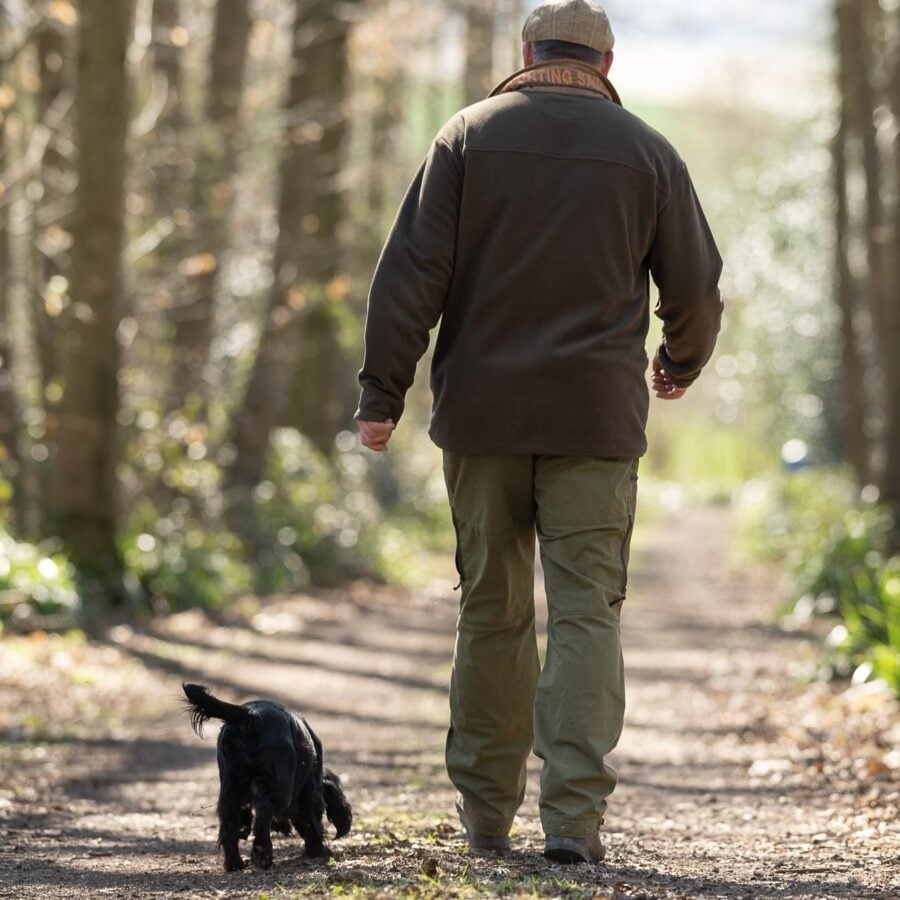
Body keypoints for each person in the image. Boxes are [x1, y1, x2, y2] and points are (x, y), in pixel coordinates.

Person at [355, 0, 722, 865]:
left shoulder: (467, 136)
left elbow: (411, 272)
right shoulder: (649, 153)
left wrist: (382, 391)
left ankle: (485, 817)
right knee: (588, 612)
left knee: (491, 609)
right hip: (595, 421)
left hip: (481, 418)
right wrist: (680, 361)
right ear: (605, 60)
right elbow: (697, 288)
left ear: (527, 51)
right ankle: (573, 824)